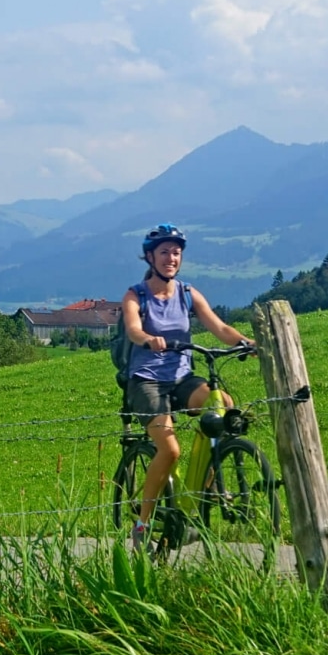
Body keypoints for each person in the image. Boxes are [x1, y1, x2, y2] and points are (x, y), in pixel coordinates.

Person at [121, 223, 254, 549]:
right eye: (165, 252)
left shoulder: (187, 293)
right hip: (147, 381)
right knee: (169, 449)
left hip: (182, 378)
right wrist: (149, 339)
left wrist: (247, 342)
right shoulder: (135, 295)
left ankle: (203, 485)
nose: (171, 258)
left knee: (221, 402)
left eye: (176, 252)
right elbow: (133, 329)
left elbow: (219, 326)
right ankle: (142, 526)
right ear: (150, 256)